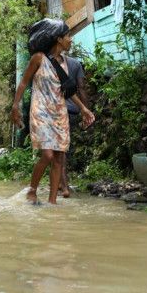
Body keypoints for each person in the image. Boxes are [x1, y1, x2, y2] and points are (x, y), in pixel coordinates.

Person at [11, 19, 95, 204]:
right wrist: (15, 106)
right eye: (68, 36)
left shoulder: (66, 63)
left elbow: (68, 92)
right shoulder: (38, 58)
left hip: (59, 113)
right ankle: (32, 189)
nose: (70, 40)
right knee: (48, 155)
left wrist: (83, 109)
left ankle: (52, 202)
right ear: (58, 39)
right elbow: (24, 82)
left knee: (59, 158)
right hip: (40, 111)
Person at [59, 53, 88, 198]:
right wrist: (86, 110)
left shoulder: (50, 64)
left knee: (59, 149)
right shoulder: (76, 64)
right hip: (72, 112)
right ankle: (63, 184)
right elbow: (81, 87)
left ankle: (63, 184)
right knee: (65, 149)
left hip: (56, 111)